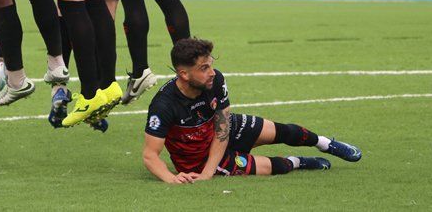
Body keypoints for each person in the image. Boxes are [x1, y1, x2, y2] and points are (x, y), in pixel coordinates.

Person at [143, 38, 362, 183]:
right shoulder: (163, 105)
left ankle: (324, 143)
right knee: (272, 167)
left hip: (220, 130)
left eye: (210, 64)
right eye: (204, 68)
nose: (212, 72)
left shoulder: (214, 80)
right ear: (183, 74)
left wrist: (210, 173)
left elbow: (222, 129)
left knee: (281, 131)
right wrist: (173, 178)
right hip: (198, 158)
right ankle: (298, 162)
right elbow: (150, 155)